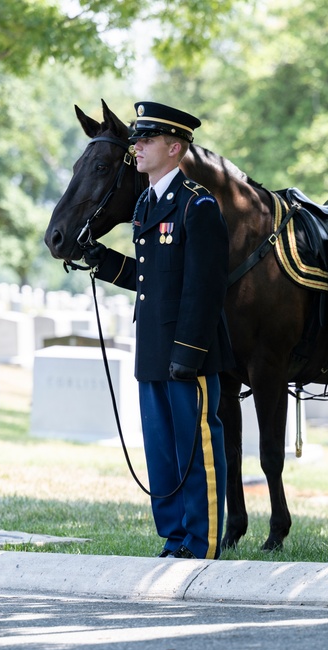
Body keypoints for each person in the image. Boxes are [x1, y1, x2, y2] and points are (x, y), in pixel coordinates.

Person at [82, 101, 234, 560]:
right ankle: (174, 539)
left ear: (175, 147)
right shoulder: (147, 202)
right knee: (163, 454)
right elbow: (153, 278)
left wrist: (188, 351)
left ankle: (202, 541)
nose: (136, 147)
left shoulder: (197, 205)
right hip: (151, 347)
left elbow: (204, 287)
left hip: (188, 351)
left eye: (145, 140)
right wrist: (104, 261)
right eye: (136, 140)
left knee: (195, 449)